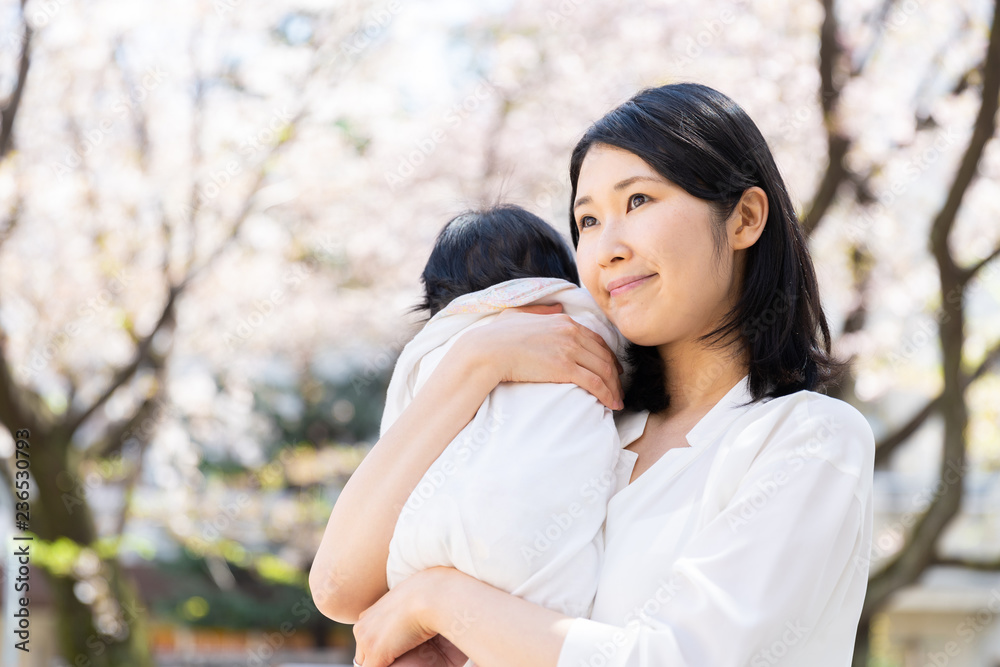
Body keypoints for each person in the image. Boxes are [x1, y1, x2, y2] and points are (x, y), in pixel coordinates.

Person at [309, 82, 875, 667]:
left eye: (638, 202)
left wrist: (440, 598)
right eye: (587, 220)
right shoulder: (579, 424)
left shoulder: (808, 439)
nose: (606, 249)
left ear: (745, 218)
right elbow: (338, 589)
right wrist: (475, 361)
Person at [377, 205, 630, 665]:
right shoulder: (592, 326)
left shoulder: (436, 350)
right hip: (541, 568)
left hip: (422, 556)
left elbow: (396, 437)